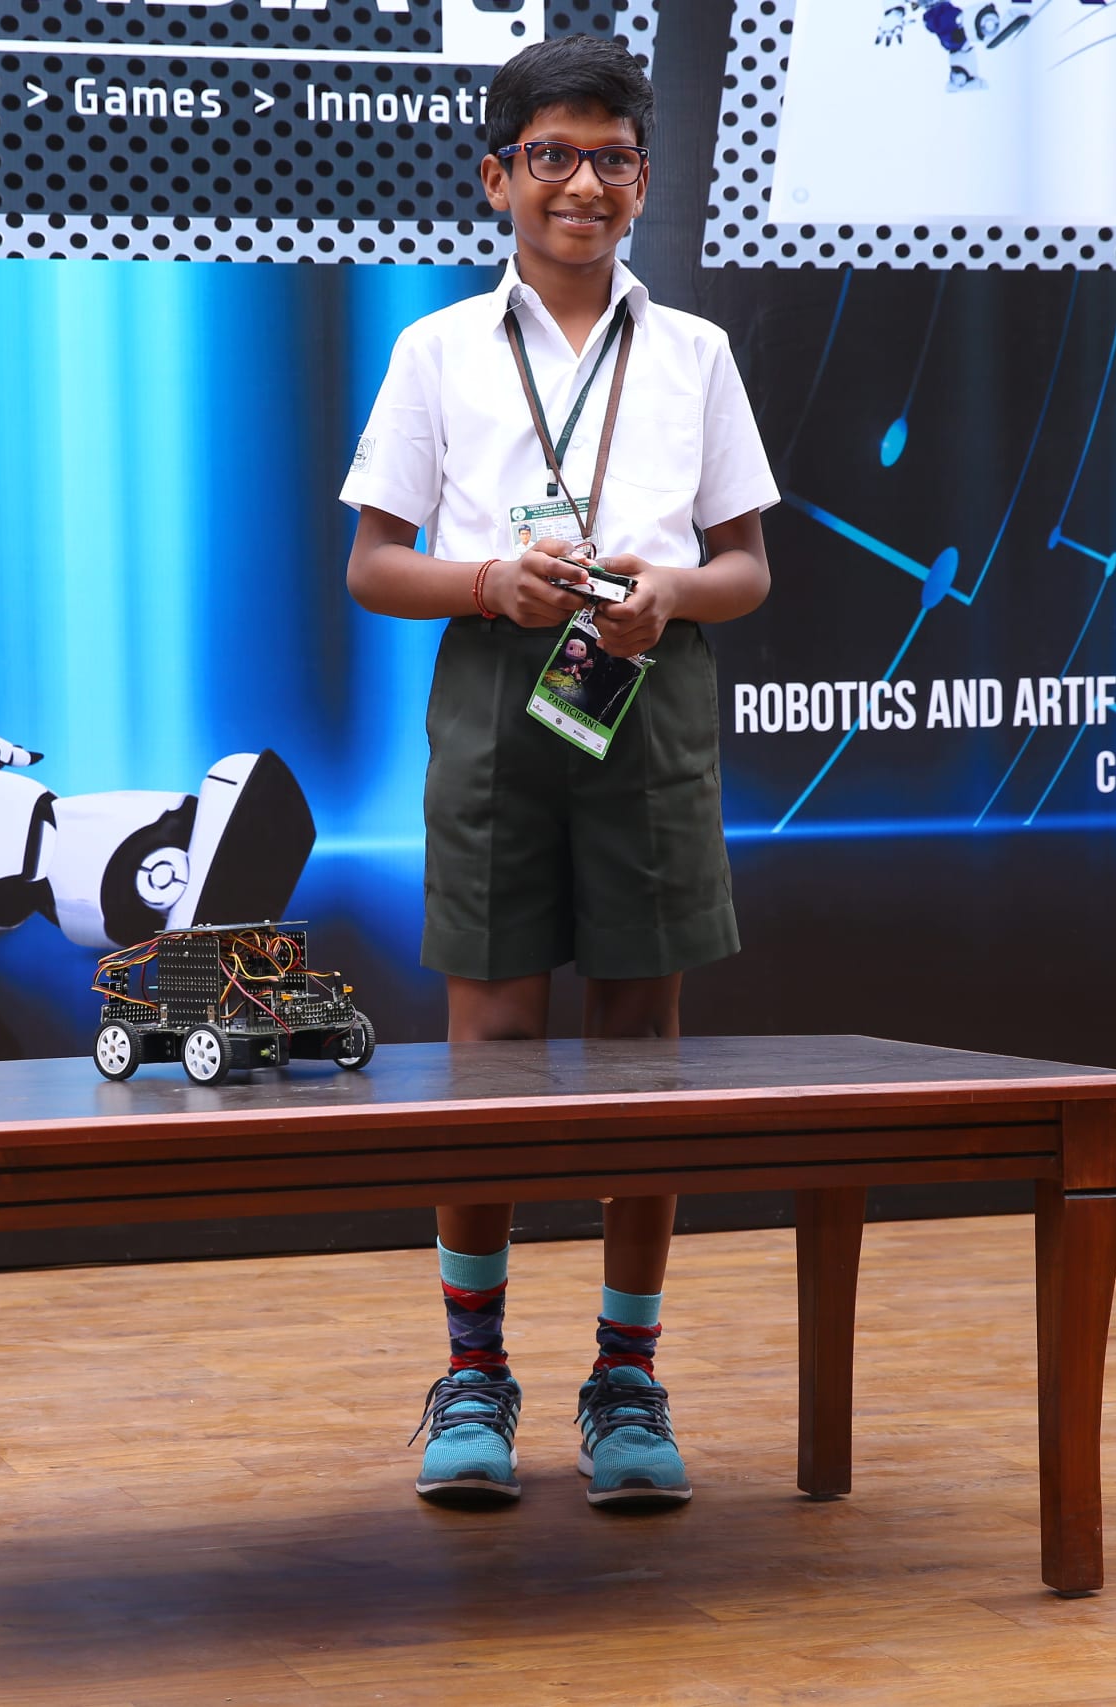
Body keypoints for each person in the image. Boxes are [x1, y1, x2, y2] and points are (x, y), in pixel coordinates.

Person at [340, 33, 777, 1509]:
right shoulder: (438, 351)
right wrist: (486, 582)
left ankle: (627, 1379)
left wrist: (669, 592)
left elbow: (745, 570)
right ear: (497, 178)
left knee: (644, 1045)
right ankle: (473, 1373)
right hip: (492, 693)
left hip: (645, 693)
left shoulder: (695, 351)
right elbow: (373, 565)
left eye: (609, 159)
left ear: (644, 181)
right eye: (551, 158)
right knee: (492, 1044)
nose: (580, 185)